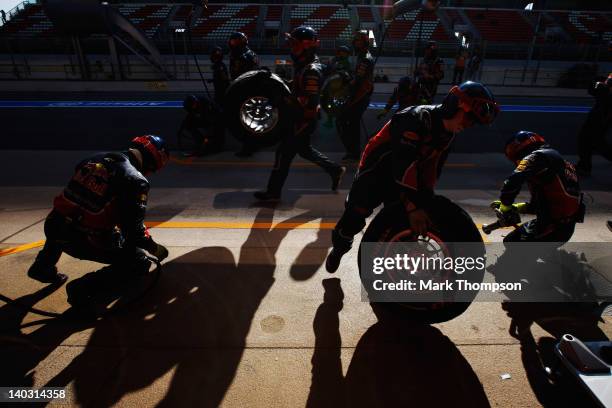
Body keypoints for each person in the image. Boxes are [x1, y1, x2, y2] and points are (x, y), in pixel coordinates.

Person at [325, 81, 499, 272]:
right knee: (353, 221)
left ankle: (395, 265)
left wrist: (425, 198)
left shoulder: (448, 134)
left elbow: (431, 167)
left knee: (403, 219)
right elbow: (403, 163)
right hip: (376, 172)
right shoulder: (413, 118)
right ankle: (339, 250)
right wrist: (413, 205)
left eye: (473, 122)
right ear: (454, 106)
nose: (468, 125)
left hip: (406, 174)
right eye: (468, 118)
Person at [27, 136, 170, 305]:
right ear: (151, 163)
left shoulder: (93, 159)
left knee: (67, 216)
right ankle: (83, 288)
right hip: (82, 240)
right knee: (138, 261)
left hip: (52, 226)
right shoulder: (135, 181)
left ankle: (43, 266)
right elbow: (133, 231)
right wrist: (153, 247)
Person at [254, 26, 346, 202]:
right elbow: (298, 87)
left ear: (307, 46)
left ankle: (273, 194)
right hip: (302, 119)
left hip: (302, 120)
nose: (291, 48)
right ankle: (335, 170)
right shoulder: (305, 64)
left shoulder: (311, 71)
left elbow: (309, 104)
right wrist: (276, 80)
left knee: (283, 153)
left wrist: (280, 98)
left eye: (294, 45)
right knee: (304, 151)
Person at [494, 131, 583, 244]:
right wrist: (517, 207)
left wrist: (505, 205)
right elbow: (546, 203)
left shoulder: (537, 156)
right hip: (565, 228)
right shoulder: (561, 161)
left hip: (550, 228)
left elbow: (512, 181)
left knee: (511, 244)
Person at [336, 30, 374, 162]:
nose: (355, 44)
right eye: (355, 41)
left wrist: (346, 82)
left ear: (364, 43)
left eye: (358, 41)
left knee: (345, 122)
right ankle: (353, 151)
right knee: (351, 123)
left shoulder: (365, 59)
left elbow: (358, 80)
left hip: (360, 96)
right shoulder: (361, 56)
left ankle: (353, 151)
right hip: (358, 95)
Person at [228, 32, 260, 157]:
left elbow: (238, 76)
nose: (232, 44)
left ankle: (248, 147)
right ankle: (254, 144)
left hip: (244, 91)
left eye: (234, 42)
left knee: (244, 121)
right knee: (251, 119)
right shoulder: (252, 53)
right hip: (253, 90)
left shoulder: (241, 56)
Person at [575, 73, 612, 176]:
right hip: (601, 112)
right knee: (596, 141)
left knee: (587, 139)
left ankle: (584, 167)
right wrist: (598, 83)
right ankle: (584, 166)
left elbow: (599, 91)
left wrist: (601, 85)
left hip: (604, 114)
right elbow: (595, 90)